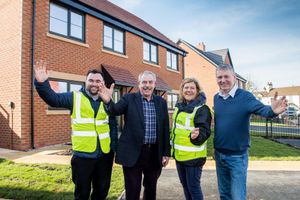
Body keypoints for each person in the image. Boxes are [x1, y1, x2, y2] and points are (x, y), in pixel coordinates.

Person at [34, 60, 118, 200]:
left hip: (104, 156)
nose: (94, 83)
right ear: (86, 81)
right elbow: (53, 99)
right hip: (83, 157)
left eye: (98, 81)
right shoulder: (74, 97)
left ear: (102, 84)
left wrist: (113, 149)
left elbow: (113, 125)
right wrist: (42, 84)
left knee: (101, 192)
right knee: (82, 194)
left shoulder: (107, 100)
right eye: (91, 80)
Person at [213, 64, 287, 200]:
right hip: (219, 155)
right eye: (219, 77)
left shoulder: (245, 97)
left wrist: (272, 111)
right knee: (224, 195)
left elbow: (263, 110)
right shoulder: (216, 98)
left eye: (226, 76)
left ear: (234, 77)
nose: (222, 80)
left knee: (237, 196)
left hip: (237, 158)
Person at [98, 70, 170, 200]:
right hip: (133, 152)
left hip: (154, 152)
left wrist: (166, 152)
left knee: (151, 187)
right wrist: (108, 101)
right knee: (132, 189)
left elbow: (165, 128)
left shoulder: (161, 102)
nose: (147, 85)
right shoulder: (129, 98)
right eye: (144, 82)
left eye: (150, 82)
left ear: (154, 84)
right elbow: (115, 110)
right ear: (139, 84)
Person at [170, 78, 212, 200]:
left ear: (197, 91)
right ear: (182, 90)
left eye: (192, 88)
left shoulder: (202, 109)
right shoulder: (179, 107)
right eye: (186, 87)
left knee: (193, 187)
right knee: (185, 186)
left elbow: (204, 131)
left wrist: (197, 136)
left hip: (194, 158)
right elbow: (176, 131)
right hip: (180, 156)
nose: (189, 90)